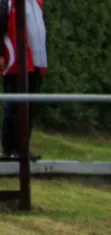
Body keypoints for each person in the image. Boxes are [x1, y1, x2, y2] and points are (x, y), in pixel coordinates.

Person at [0, 0, 46, 160]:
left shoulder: (38, 2)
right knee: (14, 105)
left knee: (29, 106)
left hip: (35, 61)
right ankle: (10, 148)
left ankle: (23, 147)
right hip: (16, 59)